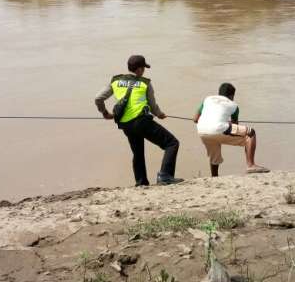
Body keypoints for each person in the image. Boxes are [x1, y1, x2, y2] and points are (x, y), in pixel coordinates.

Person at [95, 55, 180, 186]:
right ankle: (165, 176)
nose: (144, 71)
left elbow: (98, 98)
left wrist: (105, 113)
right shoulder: (145, 83)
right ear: (139, 69)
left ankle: (141, 182)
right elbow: (152, 106)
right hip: (142, 121)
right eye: (143, 68)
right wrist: (159, 114)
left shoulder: (115, 80)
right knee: (172, 143)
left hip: (125, 125)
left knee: (138, 153)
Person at [193, 82, 269, 176]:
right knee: (250, 133)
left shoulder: (208, 99)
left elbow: (195, 119)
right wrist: (227, 123)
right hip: (219, 128)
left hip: (202, 131)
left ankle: (214, 176)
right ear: (232, 95)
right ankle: (251, 165)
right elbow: (235, 125)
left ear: (219, 93)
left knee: (214, 154)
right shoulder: (233, 105)